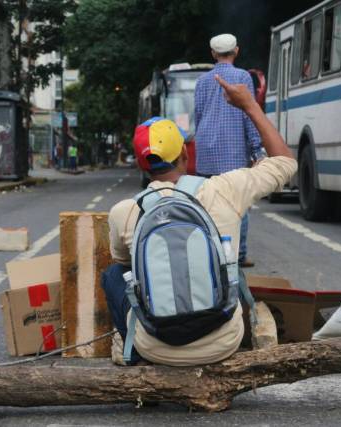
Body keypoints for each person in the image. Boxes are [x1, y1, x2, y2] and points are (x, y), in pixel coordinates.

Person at [103, 75, 297, 367]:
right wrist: (250, 107)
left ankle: (129, 346)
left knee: (114, 275)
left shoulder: (124, 211)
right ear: (183, 153)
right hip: (223, 343)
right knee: (227, 268)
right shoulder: (224, 190)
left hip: (155, 348)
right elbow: (285, 163)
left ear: (142, 165)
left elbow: (122, 261)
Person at [194, 33, 262, 268]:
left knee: (209, 203)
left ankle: (210, 251)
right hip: (233, 152)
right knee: (239, 204)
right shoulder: (243, 77)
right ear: (236, 51)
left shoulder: (202, 81)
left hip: (206, 150)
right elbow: (249, 114)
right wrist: (256, 150)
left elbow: (199, 116)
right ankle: (238, 254)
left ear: (213, 54)